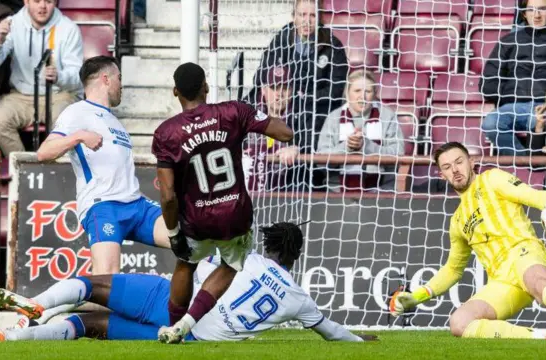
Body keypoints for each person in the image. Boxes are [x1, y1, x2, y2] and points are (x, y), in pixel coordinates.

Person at [389, 142, 546, 340]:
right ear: (442, 174)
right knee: (459, 322)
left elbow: (536, 197)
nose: (455, 170)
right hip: (501, 281)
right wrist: (417, 296)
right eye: (448, 167)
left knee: (539, 282)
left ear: (471, 161)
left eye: (459, 161)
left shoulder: (492, 179)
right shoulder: (458, 221)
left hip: (524, 253)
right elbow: (452, 270)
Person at [0, 222, 376, 343]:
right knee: (85, 326)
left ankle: (37, 303)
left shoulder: (246, 259)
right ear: (297, 254)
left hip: (171, 301)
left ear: (269, 243)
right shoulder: (299, 300)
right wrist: (364, 341)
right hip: (192, 337)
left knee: (89, 286)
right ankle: (16, 340)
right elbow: (333, 332)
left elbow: (201, 269)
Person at [151, 62, 293, 344]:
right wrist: (256, 117)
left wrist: (173, 232)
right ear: (206, 86)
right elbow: (285, 134)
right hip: (234, 215)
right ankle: (188, 323)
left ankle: (174, 326)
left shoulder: (166, 133)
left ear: (175, 91)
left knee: (185, 263)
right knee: (230, 264)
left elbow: (167, 195)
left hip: (196, 219)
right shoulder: (233, 111)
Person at [37, 56, 171, 277]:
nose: (122, 84)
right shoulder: (77, 112)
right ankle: (53, 305)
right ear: (106, 79)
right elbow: (43, 153)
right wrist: (79, 136)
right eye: (119, 78)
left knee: (187, 241)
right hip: (103, 206)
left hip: (136, 205)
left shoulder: (114, 121)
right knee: (107, 280)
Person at [246, 0, 348, 162]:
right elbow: (261, 76)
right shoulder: (281, 39)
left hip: (315, 108)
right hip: (284, 103)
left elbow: (336, 90)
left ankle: (307, 165)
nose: (307, 21)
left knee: (311, 119)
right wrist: (285, 93)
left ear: (320, 18)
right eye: (302, 15)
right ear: (294, 17)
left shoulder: (333, 45)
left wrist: (304, 97)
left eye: (313, 15)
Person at [480, 0, 546, 155]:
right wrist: (508, 93)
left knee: (544, 122)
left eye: (542, 9)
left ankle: (540, 159)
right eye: (531, 10)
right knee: (490, 123)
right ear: (524, 13)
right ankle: (523, 159)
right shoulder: (508, 40)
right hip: (514, 106)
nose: (536, 15)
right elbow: (487, 82)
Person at [0, 0, 83, 156]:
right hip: (21, 95)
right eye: (37, 1)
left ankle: (53, 170)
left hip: (60, 95)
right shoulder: (13, 24)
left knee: (66, 122)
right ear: (26, 1)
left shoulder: (69, 28)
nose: (42, 6)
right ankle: (22, 166)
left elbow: (77, 76)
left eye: (48, 1)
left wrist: (59, 76)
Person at [316, 69, 405, 192]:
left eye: (367, 91)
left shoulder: (387, 115)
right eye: (357, 91)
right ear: (348, 93)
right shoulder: (334, 117)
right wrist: (346, 147)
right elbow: (320, 161)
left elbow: (398, 154)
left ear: (374, 94)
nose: (362, 96)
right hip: (336, 193)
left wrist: (366, 146)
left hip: (381, 192)